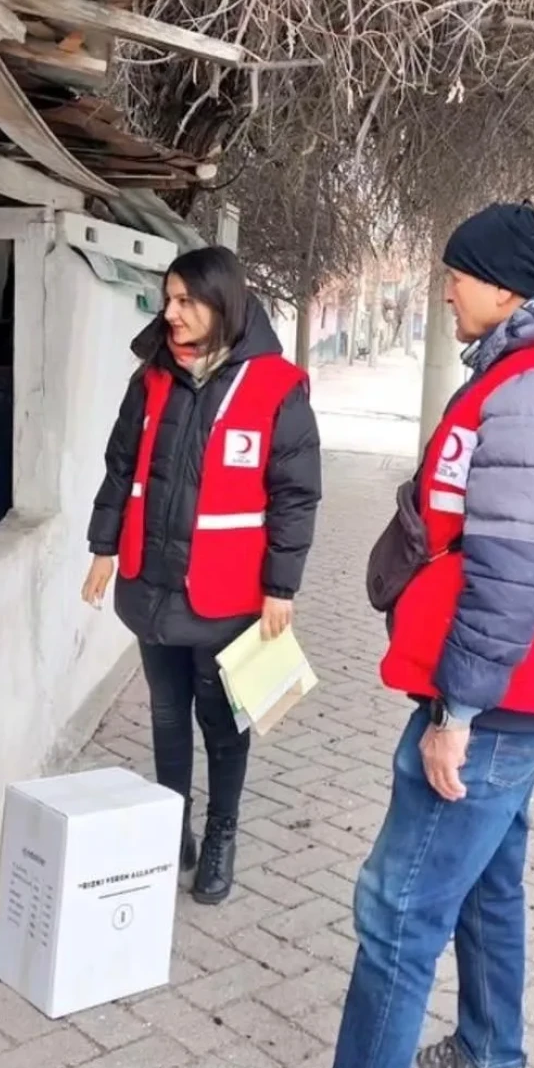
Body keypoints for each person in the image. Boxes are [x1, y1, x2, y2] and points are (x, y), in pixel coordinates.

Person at [233, 203, 534, 1068]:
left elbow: (509, 569)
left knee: (399, 911)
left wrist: (455, 712)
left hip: (496, 698)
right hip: (516, 689)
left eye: (455, 274)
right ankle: (492, 1058)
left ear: (502, 285)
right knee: (487, 876)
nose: (444, 289)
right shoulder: (527, 373)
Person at [83, 247, 321, 905]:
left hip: (227, 594)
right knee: (165, 712)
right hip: (151, 583)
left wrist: (282, 584)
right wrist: (103, 546)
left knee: (221, 718)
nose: (172, 312)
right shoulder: (152, 379)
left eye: (186, 300)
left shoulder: (276, 386)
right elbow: (120, 467)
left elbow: (296, 495)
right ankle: (172, 825)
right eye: (168, 298)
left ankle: (221, 831)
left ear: (222, 303)